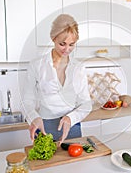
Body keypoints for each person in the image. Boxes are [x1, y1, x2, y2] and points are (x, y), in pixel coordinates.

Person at [21, 14, 92, 145]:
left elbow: (86, 103)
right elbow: (27, 100)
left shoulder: (79, 68)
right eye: (62, 44)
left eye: (72, 44)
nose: (67, 49)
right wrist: (33, 118)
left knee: (75, 165)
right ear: (53, 38)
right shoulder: (36, 65)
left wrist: (71, 118)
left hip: (72, 126)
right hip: (43, 126)